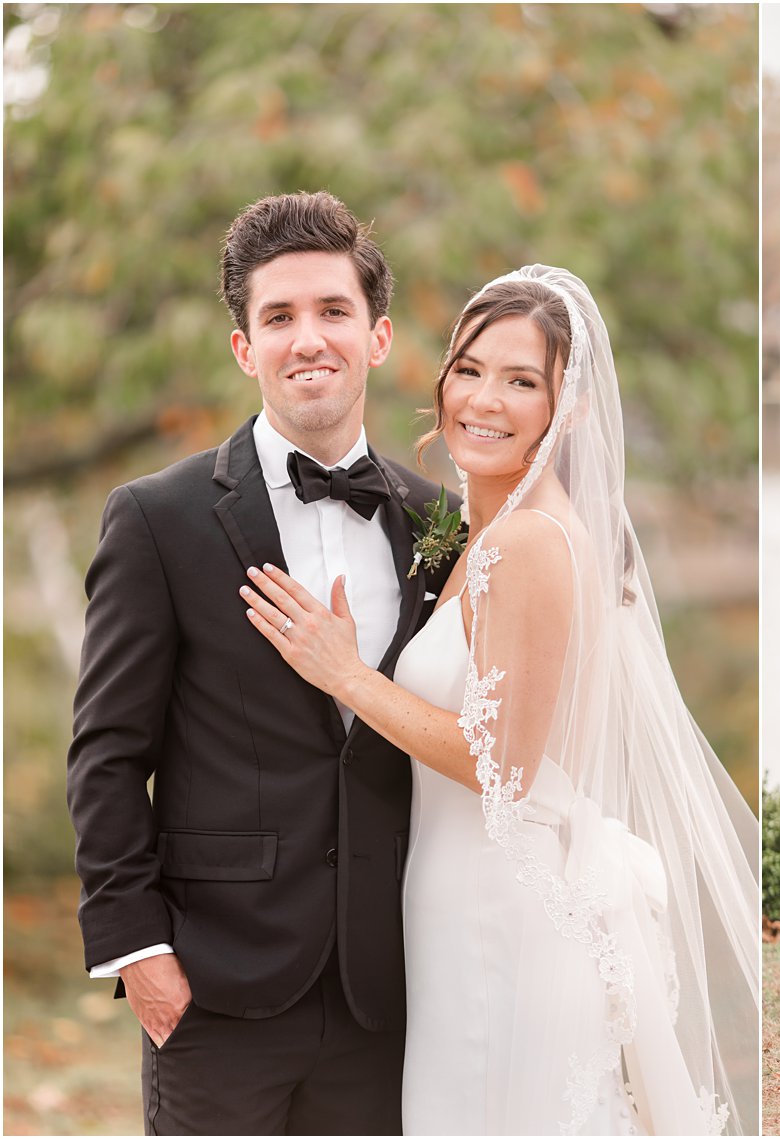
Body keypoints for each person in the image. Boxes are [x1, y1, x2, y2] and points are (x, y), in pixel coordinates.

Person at [244, 266, 760, 1134]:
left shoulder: (526, 539)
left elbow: (506, 768)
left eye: (524, 381)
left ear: (573, 407)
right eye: (471, 369)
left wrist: (348, 675)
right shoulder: (492, 526)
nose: (485, 399)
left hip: (503, 915)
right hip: (461, 904)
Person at [66, 191, 452, 1132]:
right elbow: (107, 753)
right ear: (246, 348)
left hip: (393, 990)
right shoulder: (159, 517)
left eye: (333, 312)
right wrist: (138, 949)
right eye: (278, 317)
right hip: (215, 986)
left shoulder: (443, 524)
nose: (307, 338)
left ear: (378, 335)